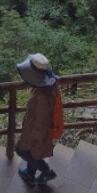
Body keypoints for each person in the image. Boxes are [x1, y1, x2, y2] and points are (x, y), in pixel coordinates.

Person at [15, 52, 59, 185]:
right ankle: (30, 174)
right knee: (32, 152)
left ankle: (47, 171)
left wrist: (36, 136)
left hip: (35, 130)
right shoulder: (48, 86)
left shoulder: (42, 96)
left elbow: (42, 120)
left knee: (22, 150)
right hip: (34, 128)